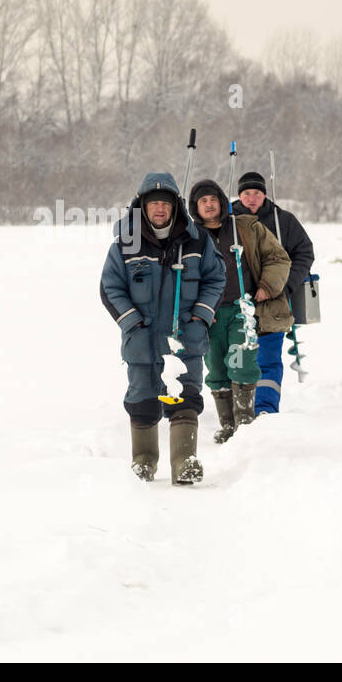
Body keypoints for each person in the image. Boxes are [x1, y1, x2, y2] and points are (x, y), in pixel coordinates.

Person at [100, 172, 225, 485]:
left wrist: (201, 315)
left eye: (165, 203)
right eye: (153, 203)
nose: (159, 208)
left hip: (185, 336)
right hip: (142, 338)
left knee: (186, 397)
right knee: (142, 398)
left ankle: (184, 461)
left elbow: (216, 278)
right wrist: (131, 322)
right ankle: (143, 461)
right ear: (142, 206)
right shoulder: (125, 245)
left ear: (175, 207)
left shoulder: (196, 240)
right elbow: (109, 287)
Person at [187, 178, 291, 442]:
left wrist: (267, 286)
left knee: (242, 361)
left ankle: (245, 422)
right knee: (216, 366)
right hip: (206, 313)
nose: (209, 205)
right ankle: (228, 425)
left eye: (213, 200)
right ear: (195, 208)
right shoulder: (190, 236)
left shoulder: (246, 227)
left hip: (241, 308)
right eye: (203, 202)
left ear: (221, 202)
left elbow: (278, 258)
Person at [232, 171, 315, 415]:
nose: (252, 198)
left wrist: (284, 285)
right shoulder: (226, 218)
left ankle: (265, 411)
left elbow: (304, 252)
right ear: (239, 195)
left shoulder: (283, 220)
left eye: (256, 193)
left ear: (264, 194)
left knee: (267, 360)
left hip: (273, 304)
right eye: (246, 193)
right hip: (236, 303)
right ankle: (238, 412)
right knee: (237, 360)